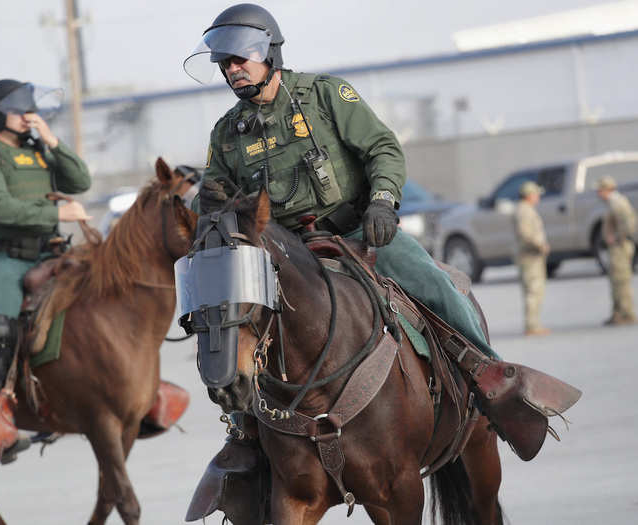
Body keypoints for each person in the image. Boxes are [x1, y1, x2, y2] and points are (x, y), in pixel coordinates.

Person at [182, 5, 579, 522]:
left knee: (433, 284)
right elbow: (213, 197)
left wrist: (383, 203)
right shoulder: (227, 131)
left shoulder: (325, 95)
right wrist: (204, 199)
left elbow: (382, 149)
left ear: (269, 54)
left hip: (356, 232)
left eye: (240, 59)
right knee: (232, 319)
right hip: (281, 252)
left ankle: (489, 381)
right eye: (225, 63)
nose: (232, 69)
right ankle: (243, 428)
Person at [0, 78, 92, 399]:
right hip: (4, 259)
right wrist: (56, 214)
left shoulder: (38, 152)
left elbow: (80, 181)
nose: (28, 116)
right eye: (20, 111)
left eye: (31, 110)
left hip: (51, 253)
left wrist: (52, 141)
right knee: (1, 327)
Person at [596, 175, 637, 325]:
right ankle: (618, 313)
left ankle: (627, 313)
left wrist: (618, 237)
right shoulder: (612, 202)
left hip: (620, 247)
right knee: (615, 280)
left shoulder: (618, 203)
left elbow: (629, 224)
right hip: (615, 248)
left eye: (600, 190)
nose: (598, 194)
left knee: (621, 280)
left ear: (608, 189)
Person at [514, 181, 550, 336]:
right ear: (529, 195)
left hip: (531, 256)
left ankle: (534, 324)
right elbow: (526, 234)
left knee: (534, 290)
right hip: (530, 256)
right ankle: (532, 326)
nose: (538, 197)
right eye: (536, 194)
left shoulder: (525, 209)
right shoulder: (524, 211)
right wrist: (540, 245)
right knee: (533, 290)